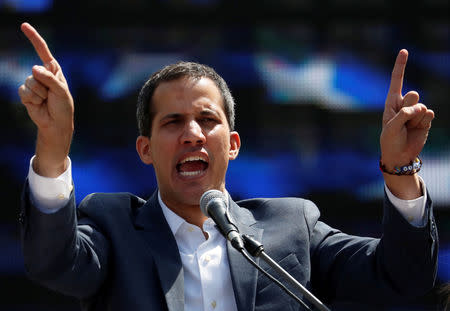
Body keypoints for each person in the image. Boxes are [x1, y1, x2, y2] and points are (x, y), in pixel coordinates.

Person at [18, 22, 438, 311]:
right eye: (173, 122)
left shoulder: (293, 225)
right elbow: (53, 262)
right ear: (145, 149)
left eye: (207, 120)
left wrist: (400, 170)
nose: (193, 134)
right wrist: (53, 150)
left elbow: (403, 275)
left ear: (233, 144)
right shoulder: (112, 224)